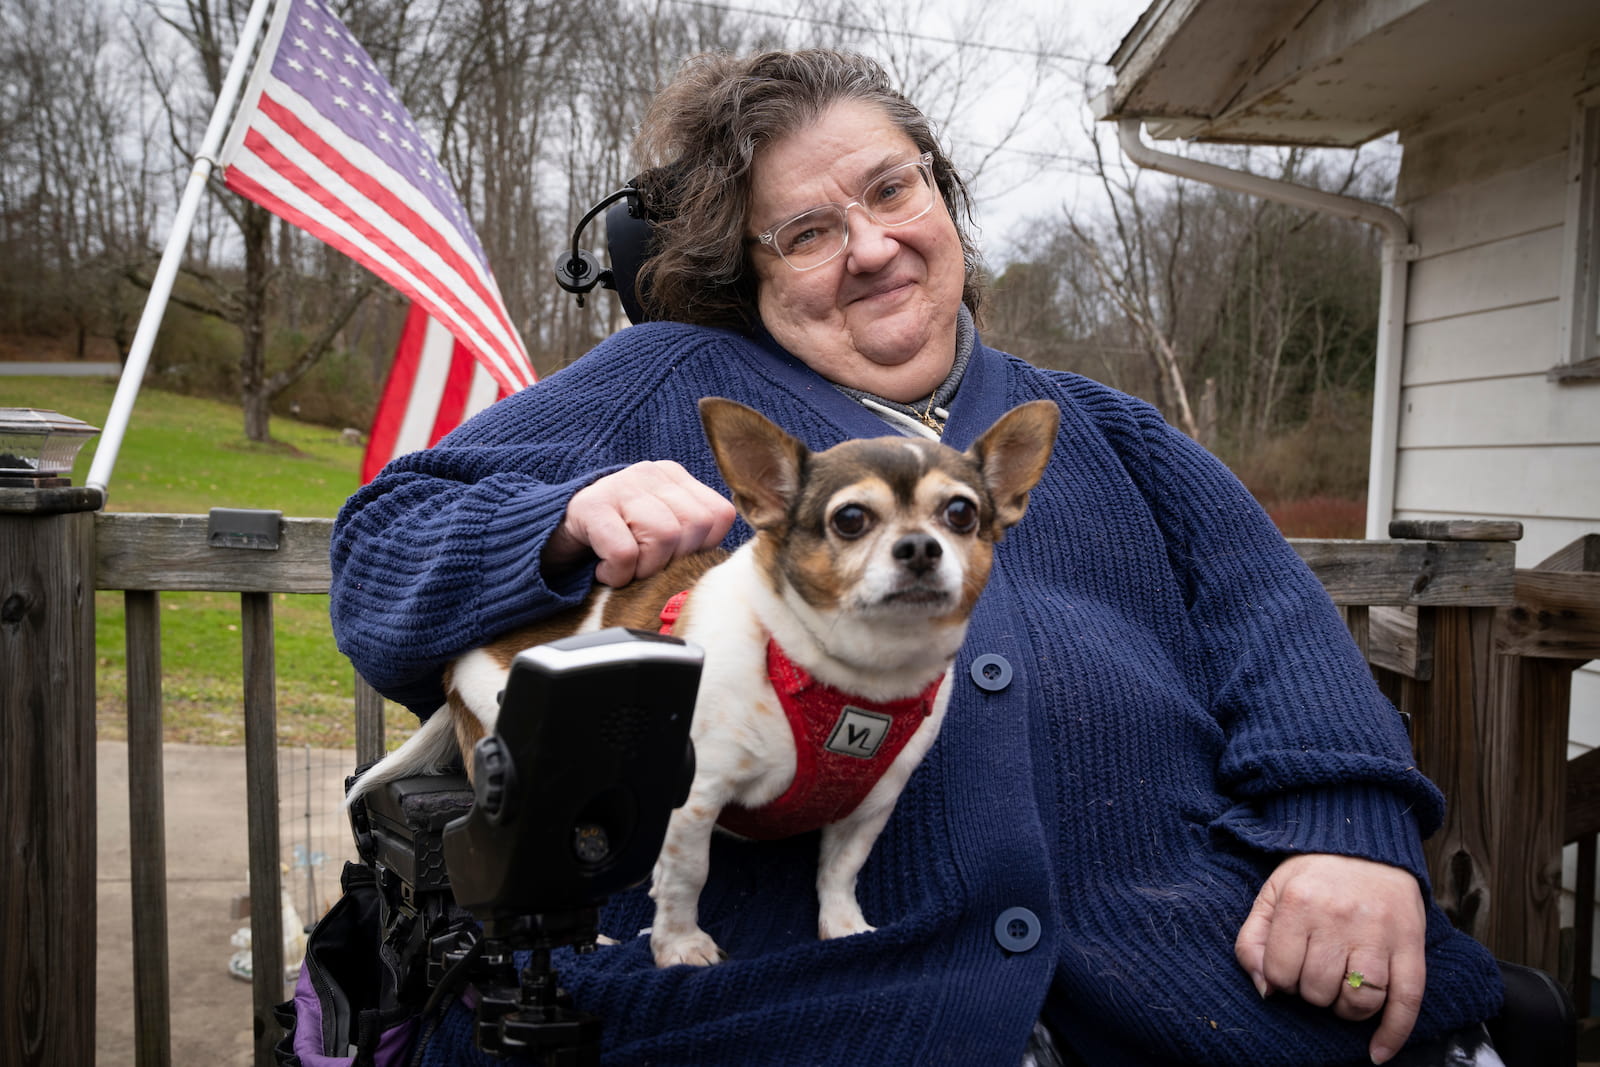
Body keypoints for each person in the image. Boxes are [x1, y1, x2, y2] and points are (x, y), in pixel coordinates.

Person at [328, 49, 1507, 1066]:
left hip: (1194, 975)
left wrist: (1347, 835)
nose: (874, 246)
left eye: (893, 189)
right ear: (748, 269)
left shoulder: (1105, 431)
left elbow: (1282, 637)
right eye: (806, 232)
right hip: (788, 1002)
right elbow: (378, 557)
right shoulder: (661, 381)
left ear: (941, 193)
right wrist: (561, 516)